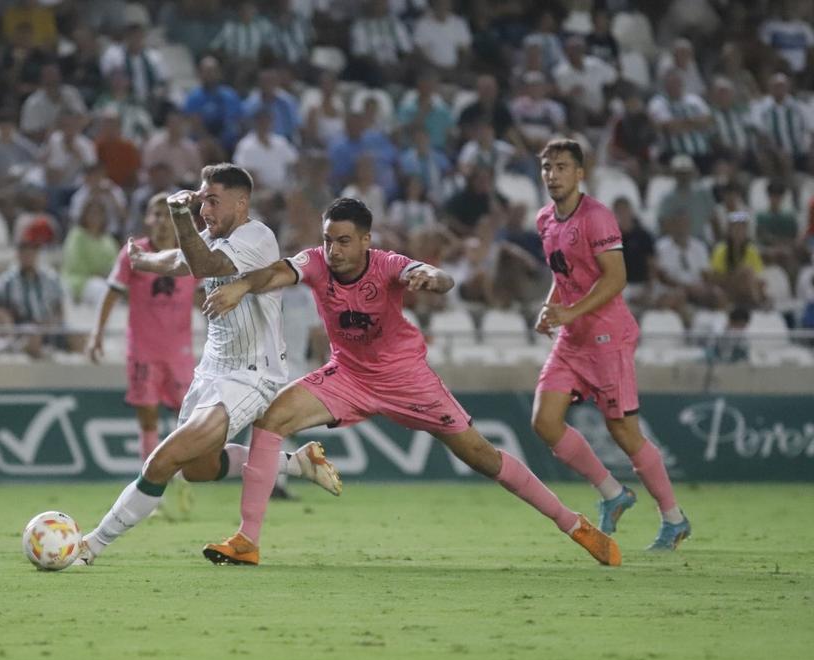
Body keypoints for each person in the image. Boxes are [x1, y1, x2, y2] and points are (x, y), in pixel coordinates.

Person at [199, 197, 619, 566]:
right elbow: (273, 273)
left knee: (482, 457)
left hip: (407, 379)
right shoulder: (314, 262)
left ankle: (573, 524)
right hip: (348, 375)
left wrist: (431, 279)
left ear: (366, 240)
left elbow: (438, 277)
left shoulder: (387, 264)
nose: (334, 250)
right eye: (328, 239)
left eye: (344, 241)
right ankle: (248, 541)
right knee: (270, 420)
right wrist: (240, 287)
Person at [76, 164, 339, 566]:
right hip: (212, 371)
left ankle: (89, 546)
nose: (205, 211)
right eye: (201, 202)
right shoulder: (214, 236)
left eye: (212, 202)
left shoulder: (256, 236)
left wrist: (179, 215)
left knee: (162, 461)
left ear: (241, 202)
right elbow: (182, 259)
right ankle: (298, 463)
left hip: (252, 376)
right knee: (195, 469)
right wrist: (144, 261)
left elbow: (202, 265)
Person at [531, 139, 690, 551]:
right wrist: (550, 309)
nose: (553, 174)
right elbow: (562, 272)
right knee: (545, 421)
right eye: (547, 167)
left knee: (623, 430)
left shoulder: (597, 217)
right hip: (573, 336)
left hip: (606, 335)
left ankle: (673, 519)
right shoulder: (545, 219)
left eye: (562, 167)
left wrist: (570, 312)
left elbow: (616, 278)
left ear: (580, 173)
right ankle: (613, 494)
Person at [86, 193, 199, 481]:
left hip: (180, 353)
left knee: (185, 419)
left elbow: (204, 298)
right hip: (143, 351)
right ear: (147, 220)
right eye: (156, 214)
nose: (162, 221)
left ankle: (180, 475)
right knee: (147, 418)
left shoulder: (193, 253)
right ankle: (151, 483)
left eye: (167, 215)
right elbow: (112, 293)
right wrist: (96, 333)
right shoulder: (134, 254)